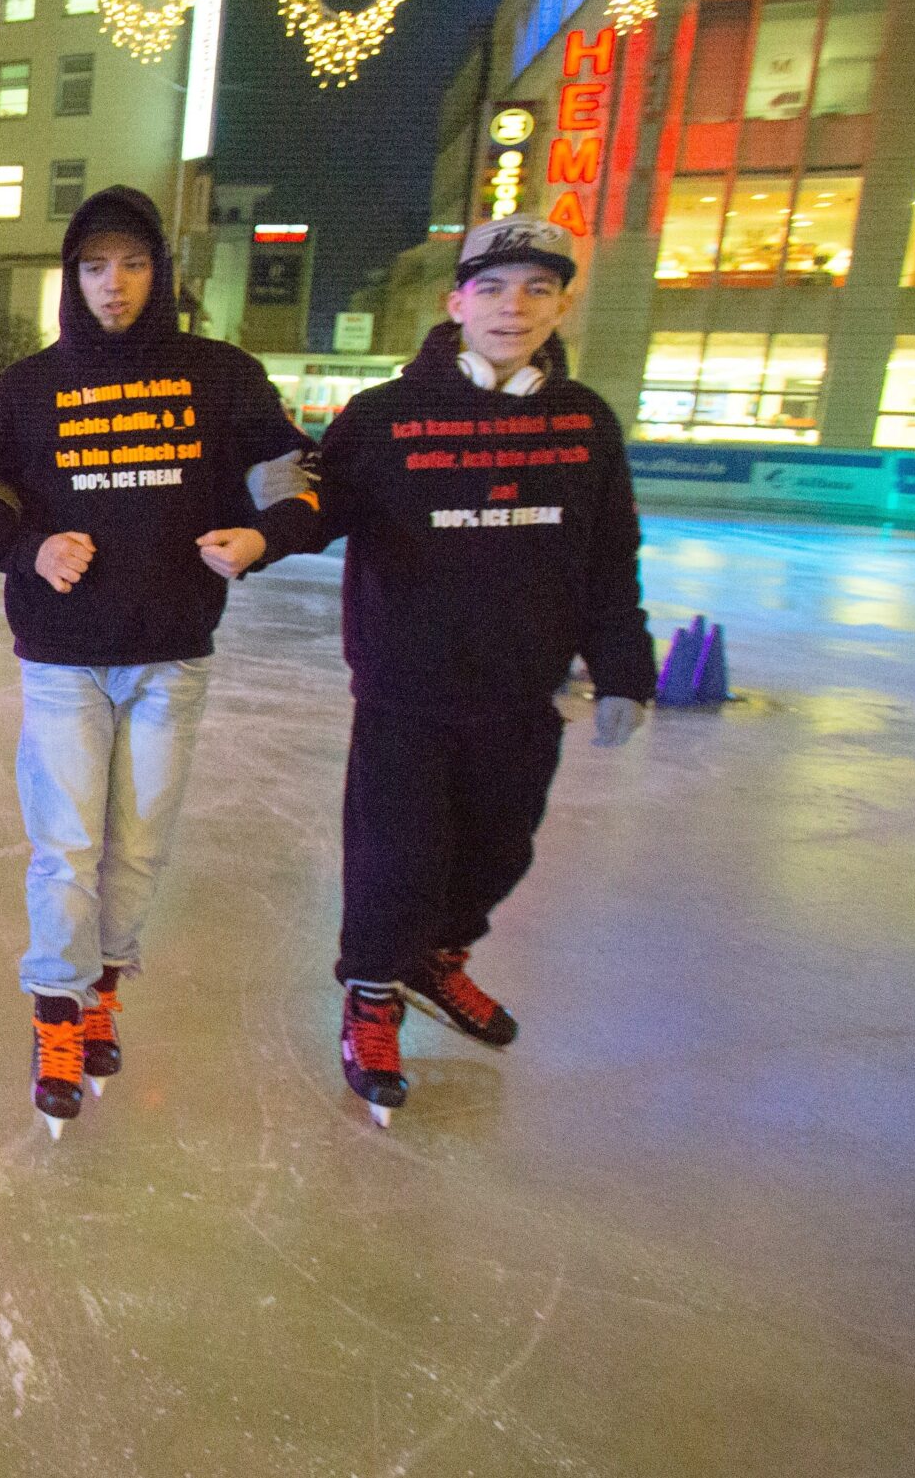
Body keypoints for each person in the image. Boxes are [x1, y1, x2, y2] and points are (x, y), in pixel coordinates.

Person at [0, 185, 312, 1138]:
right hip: (63, 659)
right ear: (71, 276)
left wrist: (268, 535)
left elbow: (305, 470)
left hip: (171, 657)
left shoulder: (220, 376)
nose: (114, 285)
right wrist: (25, 548)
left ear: (160, 271)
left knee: (137, 847)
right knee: (66, 848)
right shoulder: (28, 388)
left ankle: (103, 986)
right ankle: (57, 1011)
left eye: (133, 263)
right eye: (94, 267)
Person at [249, 215, 656, 1127]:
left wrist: (624, 665)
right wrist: (261, 528)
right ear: (456, 301)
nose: (514, 307)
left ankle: (437, 961)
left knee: (498, 850)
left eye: (537, 289)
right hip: (407, 691)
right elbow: (320, 507)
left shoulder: (584, 422)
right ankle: (372, 999)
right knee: (395, 859)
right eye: (495, 288)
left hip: (521, 693)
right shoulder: (390, 416)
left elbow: (608, 556)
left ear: (561, 304)